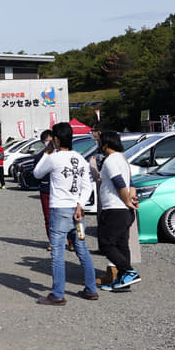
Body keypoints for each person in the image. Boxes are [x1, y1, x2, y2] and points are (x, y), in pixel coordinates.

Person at [33, 122, 98, 304]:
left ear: (55, 139)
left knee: (58, 253)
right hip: (77, 211)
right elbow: (87, 187)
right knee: (82, 250)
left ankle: (58, 294)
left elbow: (37, 173)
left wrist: (47, 152)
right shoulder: (81, 159)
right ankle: (91, 289)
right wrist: (80, 205)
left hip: (59, 209)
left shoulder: (54, 158)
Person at [97, 131, 141, 291]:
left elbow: (119, 182)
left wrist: (127, 200)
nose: (98, 145)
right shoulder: (122, 159)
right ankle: (124, 282)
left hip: (114, 209)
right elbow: (130, 182)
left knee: (105, 244)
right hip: (124, 211)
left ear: (105, 144)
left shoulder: (110, 160)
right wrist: (131, 198)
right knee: (122, 245)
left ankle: (128, 271)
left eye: (100, 142)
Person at [35, 129, 55, 248]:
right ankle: (51, 241)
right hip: (45, 189)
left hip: (59, 191)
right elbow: (36, 174)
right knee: (48, 218)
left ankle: (71, 241)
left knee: (65, 217)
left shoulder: (60, 155)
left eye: (50, 140)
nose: (48, 142)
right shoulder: (39, 156)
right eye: (46, 141)